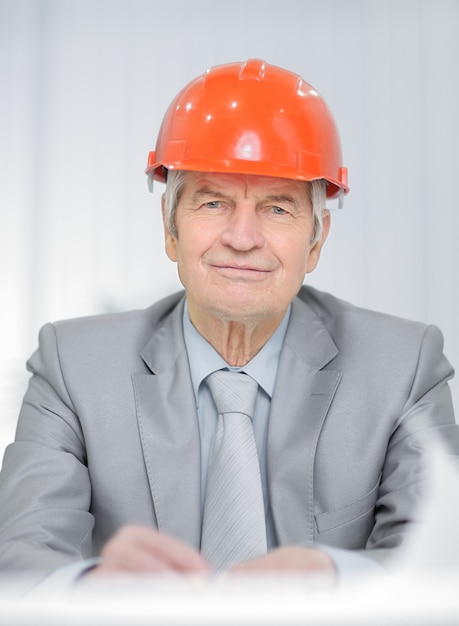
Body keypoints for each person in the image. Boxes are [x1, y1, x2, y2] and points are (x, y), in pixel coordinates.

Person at [0, 59, 457, 592]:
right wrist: (93, 584)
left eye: (277, 209)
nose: (242, 237)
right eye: (213, 202)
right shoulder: (72, 367)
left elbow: (441, 560)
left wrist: (336, 578)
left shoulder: (405, 367)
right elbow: (20, 557)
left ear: (316, 241)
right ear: (171, 230)